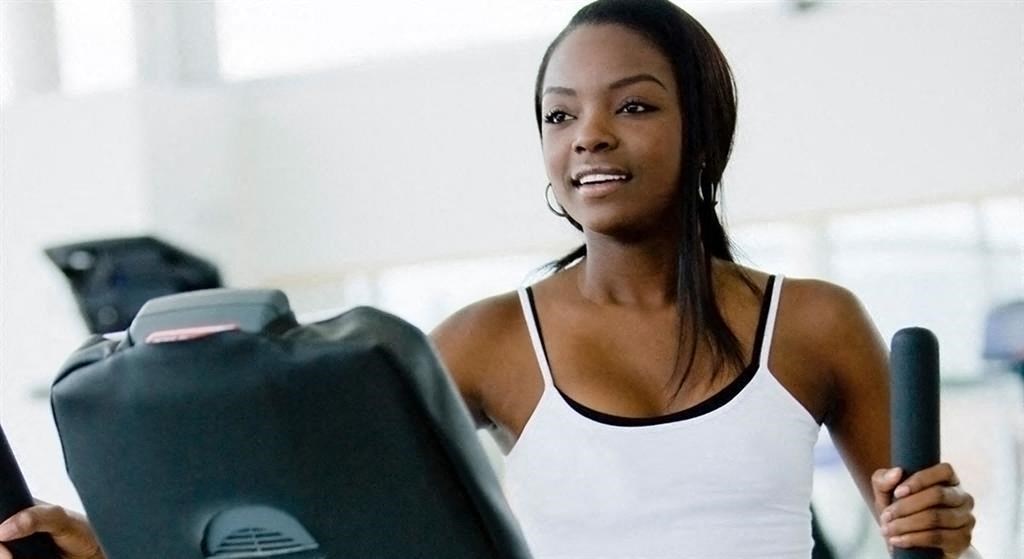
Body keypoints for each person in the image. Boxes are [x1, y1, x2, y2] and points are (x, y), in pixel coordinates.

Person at [0, 1, 978, 558]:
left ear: (701, 125)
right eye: (559, 116)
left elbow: (923, 547)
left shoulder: (810, 322)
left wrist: (937, 528)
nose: (588, 133)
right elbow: (311, 520)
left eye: (631, 106)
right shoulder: (486, 341)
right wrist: (122, 545)